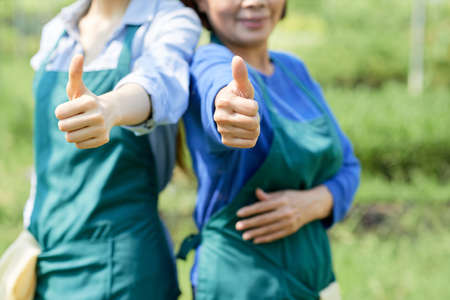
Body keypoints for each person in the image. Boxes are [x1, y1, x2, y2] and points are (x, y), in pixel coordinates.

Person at [179, 0, 361, 299]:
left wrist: (316, 202)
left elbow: (349, 166)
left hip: (315, 279)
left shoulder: (293, 69)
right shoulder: (207, 63)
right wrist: (230, 110)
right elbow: (220, 89)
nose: (254, 2)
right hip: (239, 284)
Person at [20, 0, 200, 299]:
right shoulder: (57, 31)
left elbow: (159, 81)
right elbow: (49, 160)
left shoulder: (168, 20)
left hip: (122, 268)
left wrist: (111, 107)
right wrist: (30, 229)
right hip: (46, 257)